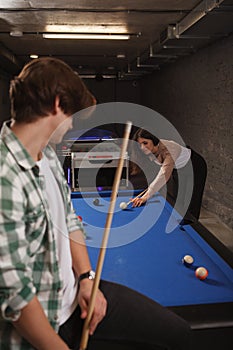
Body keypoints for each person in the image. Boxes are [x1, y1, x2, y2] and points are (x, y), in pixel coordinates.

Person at [0, 57, 191, 350]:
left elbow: (69, 218)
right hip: (47, 325)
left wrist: (87, 278)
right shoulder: (5, 178)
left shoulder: (47, 155)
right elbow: (16, 296)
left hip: (78, 295)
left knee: (178, 334)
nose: (74, 123)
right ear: (55, 105)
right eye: (73, 114)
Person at [130, 128, 207, 224]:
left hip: (194, 165)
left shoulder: (169, 148)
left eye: (145, 143)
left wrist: (145, 197)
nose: (142, 147)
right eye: (140, 144)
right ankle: (179, 222)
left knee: (191, 200)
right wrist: (145, 195)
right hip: (178, 168)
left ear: (153, 140)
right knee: (178, 197)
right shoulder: (149, 152)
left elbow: (164, 174)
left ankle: (192, 225)